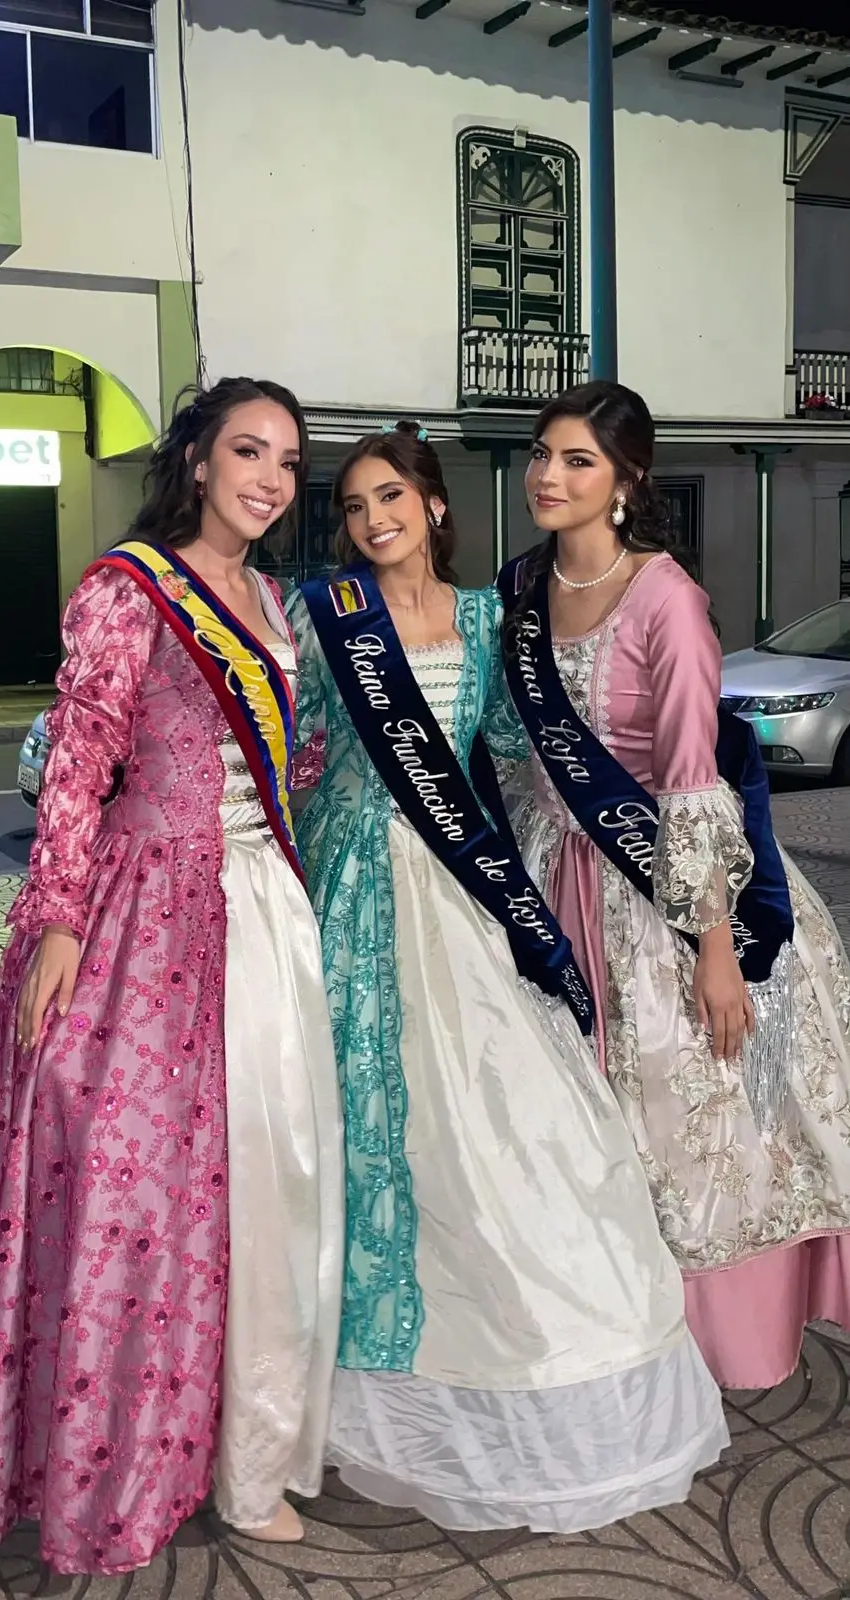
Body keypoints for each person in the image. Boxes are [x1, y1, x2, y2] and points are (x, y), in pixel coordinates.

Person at [285, 420, 727, 1536]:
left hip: (461, 885)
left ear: (434, 506)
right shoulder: (318, 617)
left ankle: (512, 1365)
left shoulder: (487, 620)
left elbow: (523, 752)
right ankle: (324, 1387)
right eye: (349, 504)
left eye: (391, 495)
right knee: (356, 1125)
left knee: (501, 1119)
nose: (371, 517)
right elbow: (271, 736)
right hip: (348, 890)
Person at [0, 378, 344, 1573]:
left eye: (285, 459)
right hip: (144, 916)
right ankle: (111, 1462)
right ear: (194, 456)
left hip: (257, 910)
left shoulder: (271, 597)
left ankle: (244, 1448)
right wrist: (61, 919)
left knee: (264, 1186)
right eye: (246, 450)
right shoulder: (129, 588)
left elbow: (294, 753)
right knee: (139, 1196)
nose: (269, 478)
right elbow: (78, 763)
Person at [501, 378, 850, 1393]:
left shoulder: (666, 597)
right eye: (541, 455)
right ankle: (585, 1324)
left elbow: (695, 780)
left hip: (656, 894)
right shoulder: (521, 586)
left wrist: (711, 950)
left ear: (626, 479)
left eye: (577, 460)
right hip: (542, 877)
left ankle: (701, 1344)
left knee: (684, 1121)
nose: (547, 476)